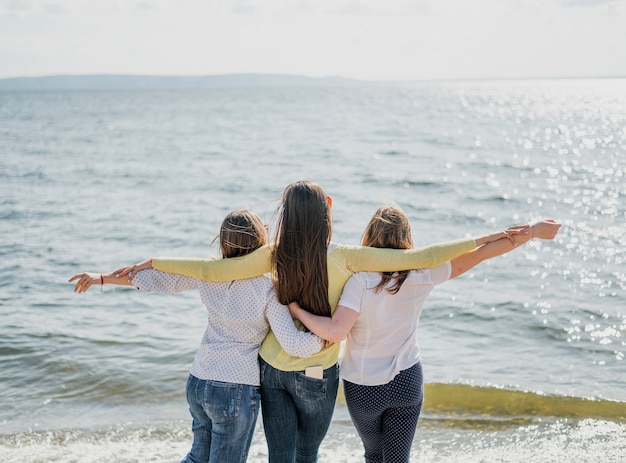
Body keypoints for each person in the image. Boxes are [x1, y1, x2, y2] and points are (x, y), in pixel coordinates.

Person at [114, 180, 521, 463]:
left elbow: (210, 270)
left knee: (281, 456)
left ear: (286, 215)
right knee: (306, 454)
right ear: (326, 210)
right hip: (317, 367)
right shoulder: (350, 258)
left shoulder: (273, 254)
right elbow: (420, 258)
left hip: (271, 366)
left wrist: (150, 264)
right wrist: (491, 236)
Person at [287, 204, 562, 463]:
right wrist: (534, 232)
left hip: (364, 386)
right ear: (407, 240)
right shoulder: (422, 274)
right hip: (407, 380)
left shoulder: (359, 280)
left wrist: (298, 311)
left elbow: (335, 332)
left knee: (374, 455)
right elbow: (482, 252)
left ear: (369, 237)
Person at [69, 210, 324, 463]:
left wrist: (102, 278)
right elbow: (294, 344)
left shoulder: (209, 274)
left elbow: (156, 281)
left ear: (223, 241)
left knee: (197, 457)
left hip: (199, 382)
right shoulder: (268, 288)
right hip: (234, 386)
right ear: (260, 242)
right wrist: (329, 335)